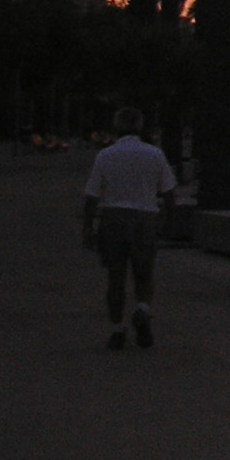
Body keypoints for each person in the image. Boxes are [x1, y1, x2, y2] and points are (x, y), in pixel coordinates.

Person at [82, 107, 177, 350]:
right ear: (140, 126)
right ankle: (142, 308)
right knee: (144, 273)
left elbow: (92, 195)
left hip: (113, 217)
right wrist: (168, 220)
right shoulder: (154, 154)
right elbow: (168, 192)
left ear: (117, 127)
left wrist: (88, 227)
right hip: (145, 218)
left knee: (116, 277)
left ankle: (117, 328)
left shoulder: (106, 155)